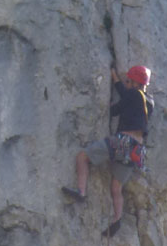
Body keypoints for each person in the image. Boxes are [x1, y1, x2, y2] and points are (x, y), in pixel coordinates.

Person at [62, 64, 153, 236]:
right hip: (137, 151)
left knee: (82, 157)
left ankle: (81, 191)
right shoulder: (149, 102)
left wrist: (103, 105)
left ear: (134, 82)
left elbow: (117, 109)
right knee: (116, 187)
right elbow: (128, 99)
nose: (126, 83)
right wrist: (118, 81)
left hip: (123, 142)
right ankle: (117, 219)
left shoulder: (132, 94)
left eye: (128, 81)